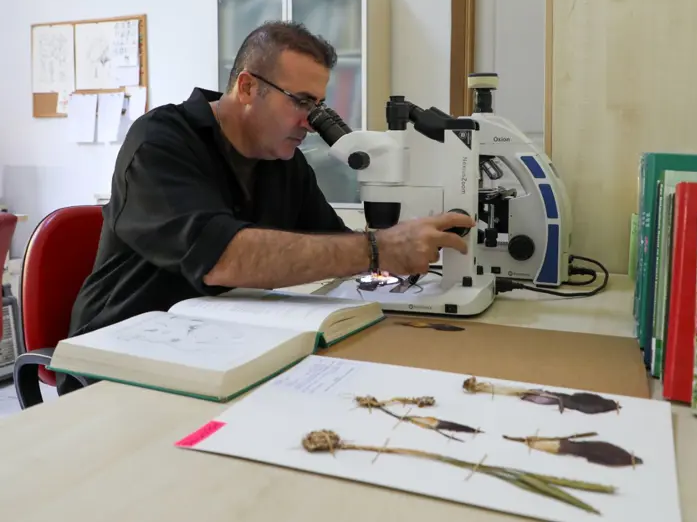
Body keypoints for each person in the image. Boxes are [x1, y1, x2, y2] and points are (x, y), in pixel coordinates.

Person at [64, 21, 473, 392]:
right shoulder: (159, 142)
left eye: (318, 107)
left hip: (217, 351)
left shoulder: (283, 162)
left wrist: (405, 245)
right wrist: (378, 248)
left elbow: (337, 247)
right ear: (246, 88)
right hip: (117, 361)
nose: (311, 122)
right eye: (301, 101)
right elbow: (222, 259)